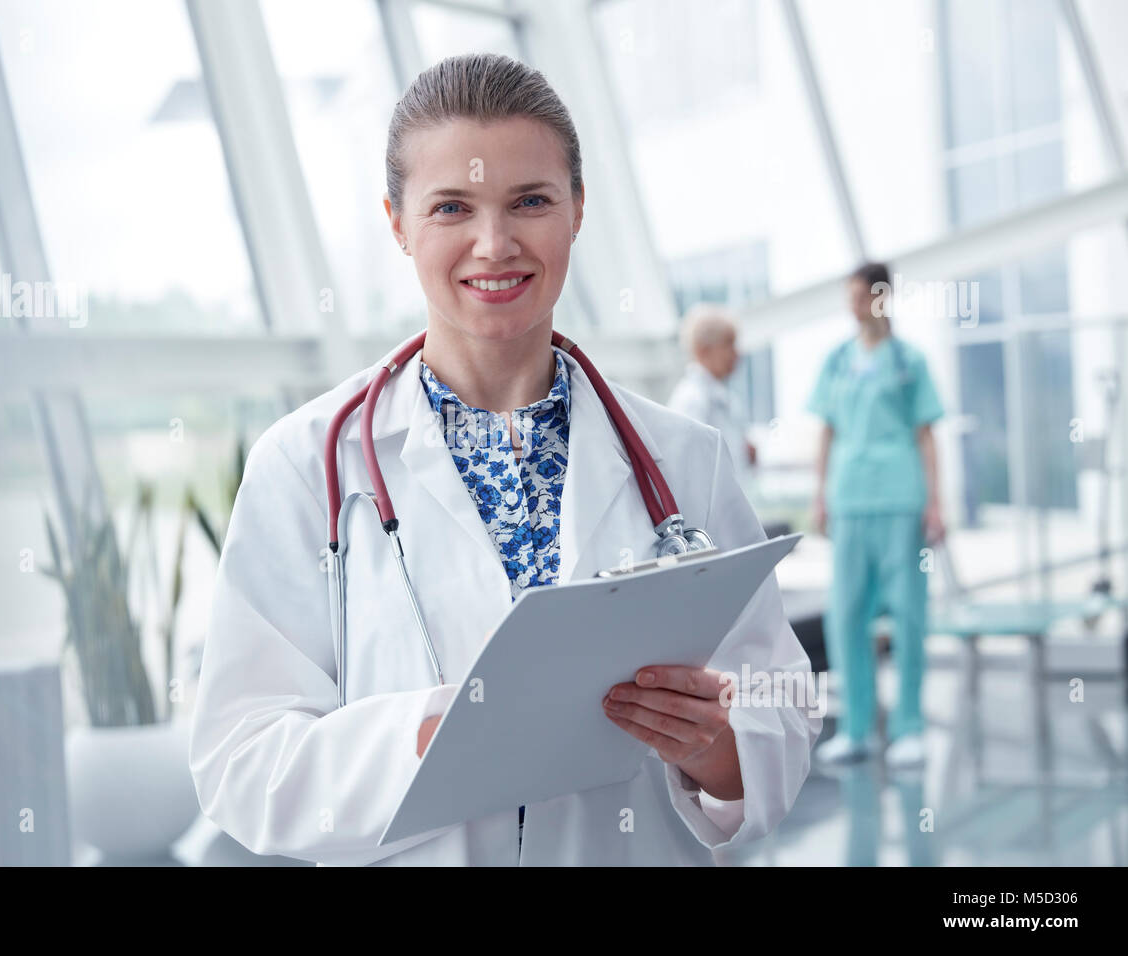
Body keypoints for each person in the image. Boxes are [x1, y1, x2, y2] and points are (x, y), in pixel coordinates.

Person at [189, 53, 820, 866]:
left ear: (578, 210)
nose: (495, 245)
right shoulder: (305, 466)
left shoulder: (681, 457)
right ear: (398, 222)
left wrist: (714, 746)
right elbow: (241, 760)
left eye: (531, 201)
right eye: (452, 207)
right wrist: (422, 736)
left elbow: (781, 703)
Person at [807, 262, 945, 770]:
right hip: (850, 500)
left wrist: (936, 502)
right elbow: (826, 431)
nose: (852, 304)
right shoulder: (838, 361)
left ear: (881, 297)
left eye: (859, 295)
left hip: (901, 499)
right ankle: (858, 729)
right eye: (849, 295)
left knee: (909, 614)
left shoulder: (910, 362)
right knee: (844, 615)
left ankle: (909, 727)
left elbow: (926, 436)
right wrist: (819, 494)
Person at [667, 305, 756, 478]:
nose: (736, 353)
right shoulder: (691, 399)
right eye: (728, 344)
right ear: (703, 350)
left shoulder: (724, 398)